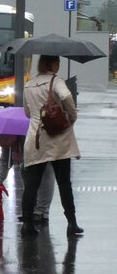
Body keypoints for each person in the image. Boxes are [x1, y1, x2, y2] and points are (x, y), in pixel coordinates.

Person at [20, 54, 82, 237]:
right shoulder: (56, 81)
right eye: (58, 62)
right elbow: (66, 95)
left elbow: (26, 112)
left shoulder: (29, 84)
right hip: (58, 140)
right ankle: (72, 223)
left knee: (31, 185)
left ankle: (28, 225)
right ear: (53, 64)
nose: (59, 65)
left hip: (35, 140)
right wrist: (72, 115)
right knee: (64, 184)